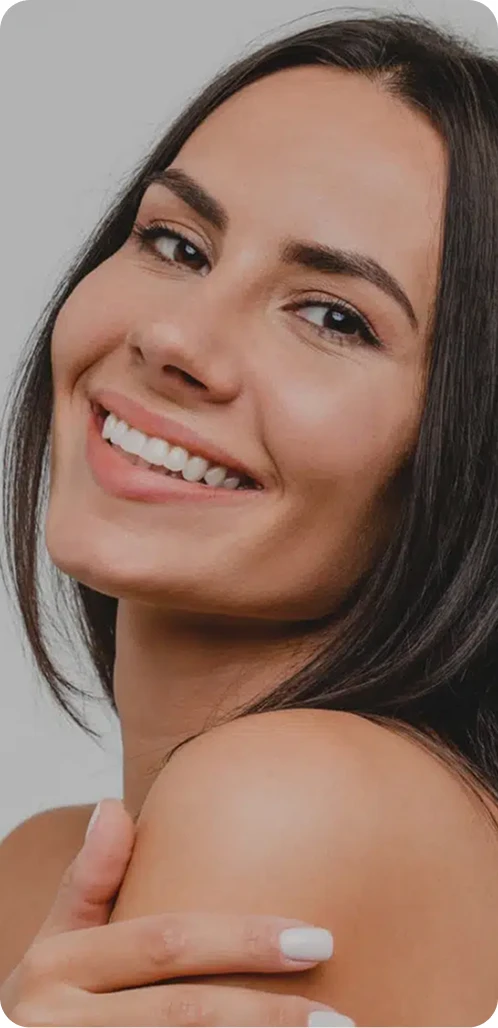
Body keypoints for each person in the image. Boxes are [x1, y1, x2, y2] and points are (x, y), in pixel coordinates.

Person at [0, 9, 497, 1026]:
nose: (176, 338)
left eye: (333, 316)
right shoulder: (42, 861)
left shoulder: (291, 803)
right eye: (176, 244)